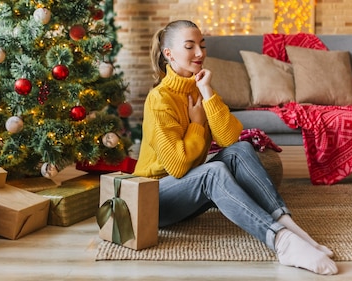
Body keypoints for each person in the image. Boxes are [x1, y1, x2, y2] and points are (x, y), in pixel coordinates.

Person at [132, 19, 338, 275]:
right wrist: (197, 124)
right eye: (189, 46)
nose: (199, 53)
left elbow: (231, 138)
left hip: (185, 191)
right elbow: (177, 166)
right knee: (213, 172)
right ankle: (282, 242)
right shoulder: (159, 99)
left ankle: (291, 228)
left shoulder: (199, 87)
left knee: (240, 151)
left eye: (202, 45)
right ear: (168, 54)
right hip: (154, 199)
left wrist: (207, 92)